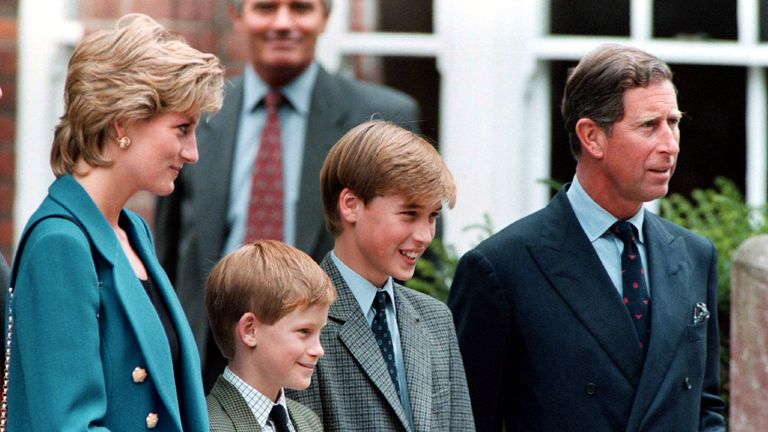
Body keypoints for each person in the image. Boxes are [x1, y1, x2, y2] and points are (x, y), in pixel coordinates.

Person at [448, 44, 727, 431]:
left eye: (674, 122)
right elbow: (469, 421)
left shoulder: (696, 256)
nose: (670, 144)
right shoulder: (500, 269)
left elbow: (705, 405)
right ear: (592, 136)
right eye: (649, 126)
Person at [153, 0, 421, 391]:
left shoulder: (380, 119)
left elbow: (412, 263)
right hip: (208, 370)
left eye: (300, 8)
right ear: (237, 16)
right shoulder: (196, 115)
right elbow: (168, 254)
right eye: (265, 7)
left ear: (325, 17)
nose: (283, 23)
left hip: (328, 368)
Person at [3, 14, 224, 431]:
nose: (192, 152)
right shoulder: (60, 243)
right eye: (181, 129)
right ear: (123, 122)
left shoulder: (132, 231)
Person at [286, 120, 475, 431]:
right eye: (410, 214)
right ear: (350, 205)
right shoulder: (296, 319)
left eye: (432, 217)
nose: (425, 235)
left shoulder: (436, 320)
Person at [205, 240, 335, 431]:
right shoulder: (206, 423)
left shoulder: (308, 422)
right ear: (250, 330)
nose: (319, 350)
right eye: (304, 331)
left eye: (319, 332)